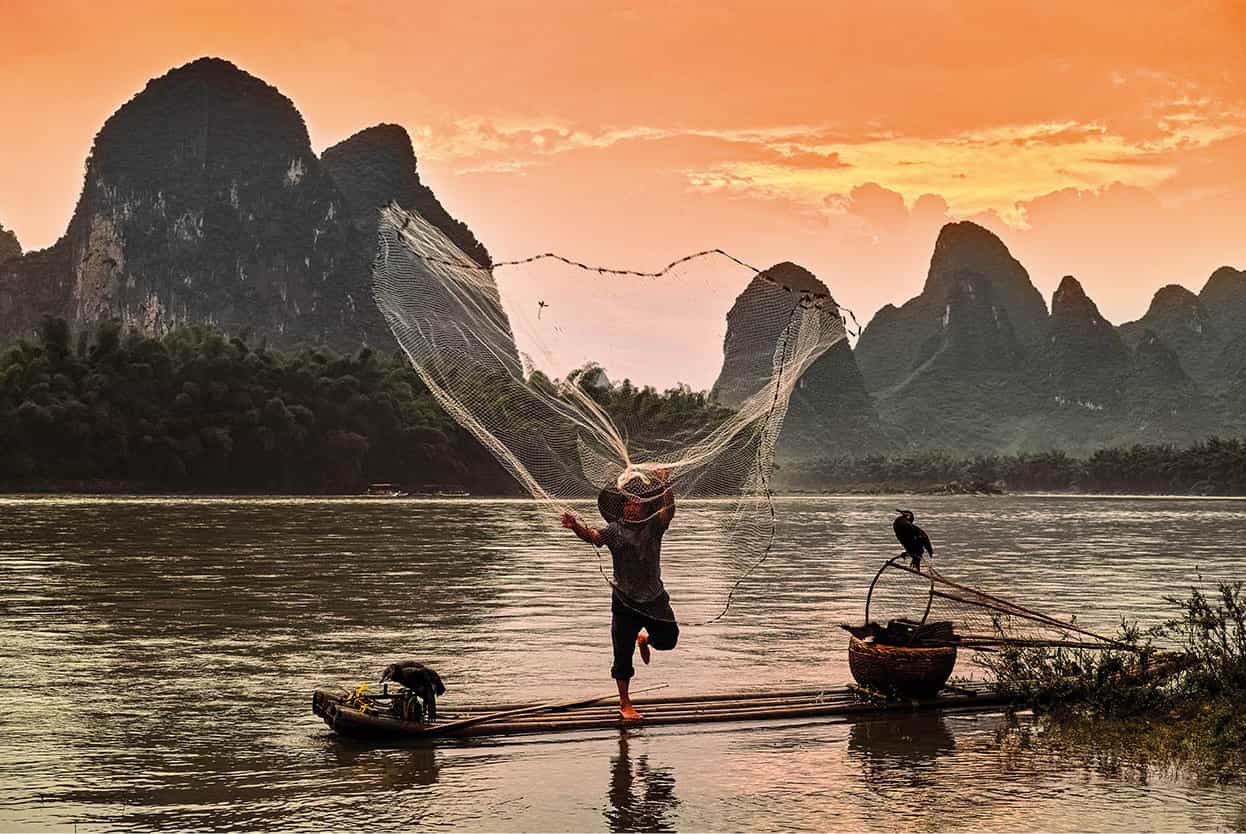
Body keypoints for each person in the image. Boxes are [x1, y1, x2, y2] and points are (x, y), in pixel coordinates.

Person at [561, 471, 679, 720]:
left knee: (668, 640)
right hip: (624, 600)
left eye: (636, 504)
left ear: (645, 508)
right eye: (627, 503)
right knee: (622, 655)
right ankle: (625, 704)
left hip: (654, 598)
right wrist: (575, 527)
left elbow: (669, 511)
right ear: (621, 508)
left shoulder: (653, 527)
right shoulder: (614, 531)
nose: (631, 507)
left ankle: (645, 640)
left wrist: (666, 485)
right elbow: (593, 537)